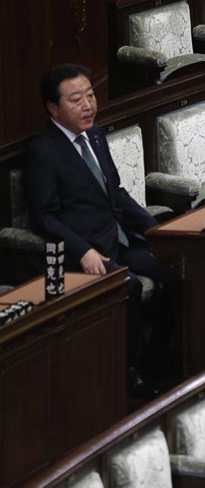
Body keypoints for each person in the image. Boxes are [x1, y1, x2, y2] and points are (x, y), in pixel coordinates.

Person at [24, 63, 175, 397]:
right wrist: (83, 251)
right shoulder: (43, 152)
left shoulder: (94, 134)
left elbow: (115, 192)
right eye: (76, 100)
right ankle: (129, 372)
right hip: (87, 251)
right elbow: (44, 218)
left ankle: (160, 363)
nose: (88, 105)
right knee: (130, 287)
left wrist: (157, 231)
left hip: (121, 238)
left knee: (173, 269)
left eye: (90, 96)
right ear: (53, 108)